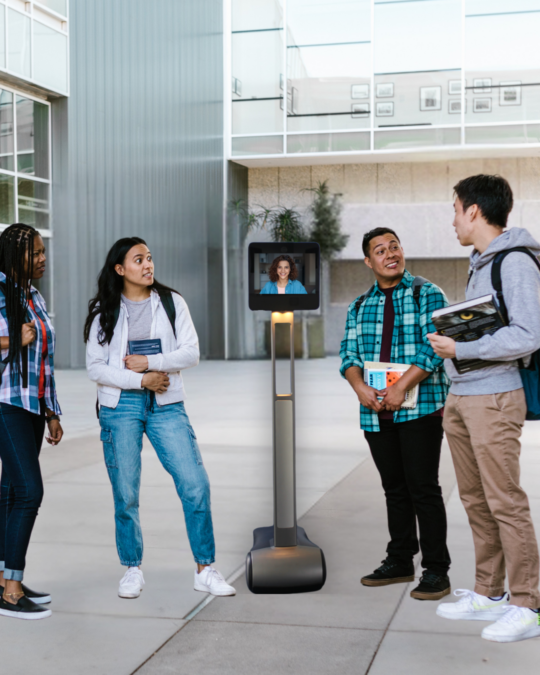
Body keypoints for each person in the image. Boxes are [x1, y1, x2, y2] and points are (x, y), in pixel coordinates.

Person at [84, 237, 235, 599]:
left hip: (167, 405)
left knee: (195, 484)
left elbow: (191, 352)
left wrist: (152, 363)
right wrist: (141, 380)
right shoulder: (104, 310)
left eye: (150, 258)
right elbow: (95, 367)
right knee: (126, 493)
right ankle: (132, 569)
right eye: (139, 260)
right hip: (120, 407)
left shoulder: (171, 302)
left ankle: (205, 569)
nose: (148, 265)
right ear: (120, 269)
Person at [428, 174, 540, 643]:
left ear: (474, 210)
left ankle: (526, 603)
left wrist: (461, 349)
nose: (452, 219)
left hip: (494, 396)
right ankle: (489, 592)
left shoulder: (515, 262)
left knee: (504, 501)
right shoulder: (480, 262)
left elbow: (529, 335)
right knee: (475, 500)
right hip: (463, 396)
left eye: (455, 209)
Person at [339, 227, 451, 601]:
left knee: (424, 489)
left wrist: (401, 386)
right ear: (368, 261)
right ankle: (400, 559)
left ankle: (436, 570)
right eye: (380, 250)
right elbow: (348, 355)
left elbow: (434, 348)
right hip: (376, 412)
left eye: (395, 246)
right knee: (394, 490)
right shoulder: (359, 305)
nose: (390, 254)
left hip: (420, 408)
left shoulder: (426, 293)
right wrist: (360, 388)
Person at [0, 223, 63, 620]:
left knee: (9, 493)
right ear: (14, 255)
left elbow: (45, 360)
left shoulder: (32, 294)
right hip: (5, 401)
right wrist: (10, 341)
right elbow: (18, 344)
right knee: (28, 491)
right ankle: (11, 591)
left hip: (32, 406)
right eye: (35, 252)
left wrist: (52, 410)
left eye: (43, 252)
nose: (42, 259)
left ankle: (7, 579)